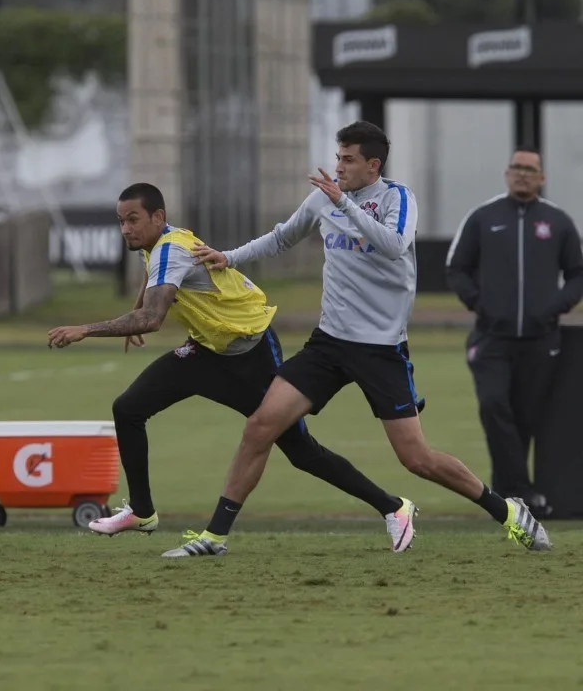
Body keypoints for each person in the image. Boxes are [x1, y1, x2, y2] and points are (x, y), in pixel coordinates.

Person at [189, 120, 551, 556]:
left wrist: (345, 204)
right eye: (337, 157)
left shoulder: (398, 198)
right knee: (260, 426)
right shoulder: (325, 198)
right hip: (328, 343)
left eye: (348, 159)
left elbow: (394, 246)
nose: (338, 166)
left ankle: (508, 512)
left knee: (417, 460)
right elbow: (282, 238)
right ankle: (214, 537)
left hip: (380, 350)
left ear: (372, 164)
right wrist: (227, 257)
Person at [47, 182, 418, 558]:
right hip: (206, 350)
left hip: (251, 352)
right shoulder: (161, 242)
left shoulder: (171, 250)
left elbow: (152, 319)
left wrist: (86, 329)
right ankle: (142, 512)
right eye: (120, 221)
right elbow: (152, 276)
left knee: (301, 451)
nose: (126, 228)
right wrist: (138, 302)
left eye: (133, 220)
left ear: (158, 217)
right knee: (128, 408)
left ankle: (393, 507)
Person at [445, 147, 583, 518]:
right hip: (492, 338)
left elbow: (578, 273)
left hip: (542, 340)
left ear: (541, 178)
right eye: (516, 167)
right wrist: (480, 303)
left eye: (530, 169)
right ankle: (518, 491)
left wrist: (556, 306)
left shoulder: (557, 222)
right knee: (494, 406)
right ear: (507, 174)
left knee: (526, 417)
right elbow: (457, 268)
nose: (522, 174)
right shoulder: (484, 218)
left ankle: (510, 499)